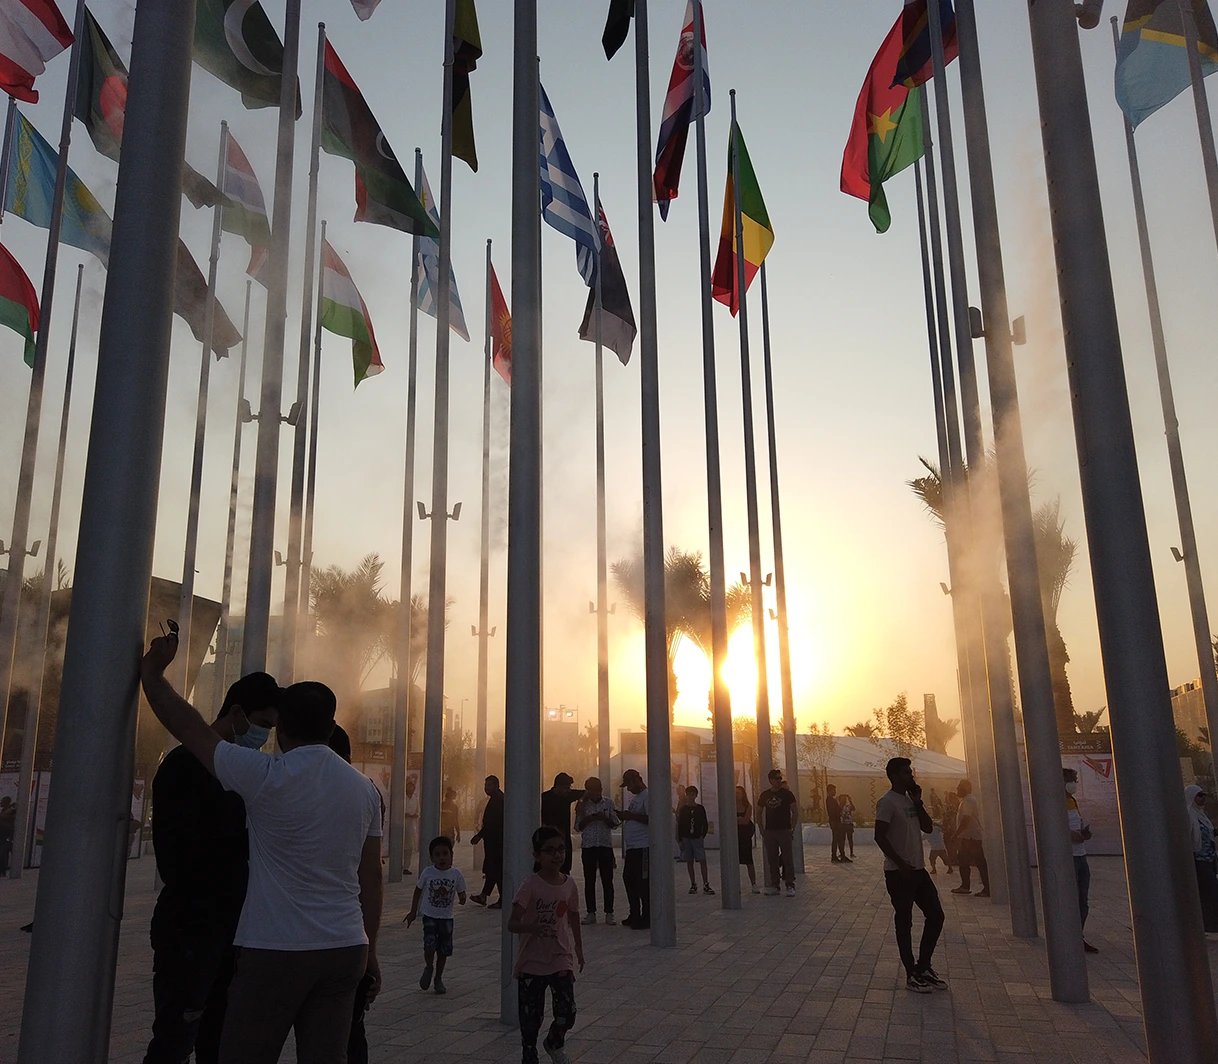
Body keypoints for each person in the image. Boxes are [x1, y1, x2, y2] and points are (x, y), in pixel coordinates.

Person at [140, 634, 384, 1064]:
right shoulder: (365, 790)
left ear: (283, 729)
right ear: (331, 728)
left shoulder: (266, 776)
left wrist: (153, 675)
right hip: (346, 947)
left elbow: (188, 727)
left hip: (277, 949)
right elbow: (371, 877)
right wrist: (373, 951)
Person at [142, 669, 280, 1064]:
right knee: (175, 1037)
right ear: (236, 713)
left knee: (218, 1041)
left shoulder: (244, 772)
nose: (265, 735)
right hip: (192, 929)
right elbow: (177, 859)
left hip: (233, 930)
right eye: (262, 725)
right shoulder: (185, 766)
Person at [508, 825, 585, 1064]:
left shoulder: (569, 883)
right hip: (532, 961)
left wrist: (579, 949)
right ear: (537, 856)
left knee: (567, 1011)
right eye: (549, 851)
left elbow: (573, 916)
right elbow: (512, 923)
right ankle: (529, 1052)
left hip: (560, 956)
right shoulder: (530, 885)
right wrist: (532, 928)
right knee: (531, 1017)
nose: (557, 855)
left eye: (561, 849)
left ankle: (553, 1042)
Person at [874, 757, 947, 994]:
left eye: (911, 772)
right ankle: (910, 973)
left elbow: (927, 827)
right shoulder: (887, 802)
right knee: (904, 922)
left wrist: (919, 803)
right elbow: (879, 836)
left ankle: (924, 966)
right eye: (906, 773)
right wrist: (899, 863)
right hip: (899, 873)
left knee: (936, 916)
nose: (911, 776)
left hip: (918, 870)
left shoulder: (909, 800)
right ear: (895, 776)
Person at [405, 836, 468, 995]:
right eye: (438, 854)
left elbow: (462, 892)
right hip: (430, 916)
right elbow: (418, 890)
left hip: (447, 918)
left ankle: (438, 978)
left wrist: (462, 898)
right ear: (432, 857)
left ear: (451, 855)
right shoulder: (428, 872)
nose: (442, 858)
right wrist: (413, 911)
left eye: (445, 853)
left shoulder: (456, 874)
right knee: (429, 945)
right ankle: (428, 966)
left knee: (443, 950)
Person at [574, 776, 619, 925]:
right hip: (589, 846)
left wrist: (604, 818)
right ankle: (591, 912)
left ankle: (609, 912)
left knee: (607, 880)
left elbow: (615, 823)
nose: (594, 795)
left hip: (605, 845)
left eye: (596, 792)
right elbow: (577, 826)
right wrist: (590, 818)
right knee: (589, 880)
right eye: (591, 792)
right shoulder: (583, 806)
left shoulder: (608, 803)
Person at [1064, 767, 1098, 953]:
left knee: (1082, 900)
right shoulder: (1057, 802)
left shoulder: (1072, 801)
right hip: (1068, 857)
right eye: (1071, 780)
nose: (1074, 784)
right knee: (1073, 898)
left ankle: (1079, 934)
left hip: (1080, 854)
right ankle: (1070, 936)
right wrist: (1074, 836)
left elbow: (1076, 823)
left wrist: (1084, 834)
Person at [757, 769, 798, 896]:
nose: (779, 781)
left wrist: (792, 828)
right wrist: (761, 828)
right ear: (770, 780)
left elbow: (795, 811)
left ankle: (790, 884)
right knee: (772, 859)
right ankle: (775, 885)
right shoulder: (765, 795)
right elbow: (758, 811)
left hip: (784, 830)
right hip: (770, 831)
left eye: (780, 778)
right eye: (777, 778)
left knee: (787, 858)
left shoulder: (787, 794)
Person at [618, 769, 650, 929]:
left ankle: (647, 916)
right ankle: (634, 913)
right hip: (632, 847)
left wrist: (630, 816)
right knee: (629, 879)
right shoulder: (636, 798)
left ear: (636, 781)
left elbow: (652, 819)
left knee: (643, 883)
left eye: (629, 785)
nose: (628, 789)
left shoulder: (648, 796)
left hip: (643, 846)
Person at [1187, 784, 1218, 933]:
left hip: (1209, 859)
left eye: (1204, 795)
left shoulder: (1201, 814)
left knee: (1207, 893)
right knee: (1212, 891)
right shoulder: (1189, 814)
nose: (1203, 798)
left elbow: (1208, 834)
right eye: (1200, 795)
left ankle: (1208, 924)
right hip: (1199, 860)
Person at [541, 772, 586, 875]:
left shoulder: (567, 796)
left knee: (564, 872)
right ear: (558, 787)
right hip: (548, 840)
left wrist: (581, 802)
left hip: (564, 840)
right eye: (566, 788)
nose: (568, 790)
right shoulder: (544, 798)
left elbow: (585, 792)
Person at [951, 779, 990, 898]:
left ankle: (985, 888)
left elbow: (966, 820)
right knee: (965, 861)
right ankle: (966, 886)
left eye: (959, 787)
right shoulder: (966, 800)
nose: (957, 789)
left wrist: (956, 834)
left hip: (971, 837)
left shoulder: (968, 800)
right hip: (968, 836)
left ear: (967, 787)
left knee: (977, 862)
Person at [471, 776, 505, 908]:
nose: (486, 788)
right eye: (486, 785)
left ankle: (503, 899)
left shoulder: (498, 800)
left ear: (497, 785)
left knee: (497, 870)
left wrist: (479, 835)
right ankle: (483, 895)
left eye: (489, 785)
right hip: (493, 840)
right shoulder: (496, 799)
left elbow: (493, 823)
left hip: (496, 841)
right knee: (492, 869)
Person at [677, 785, 715, 895]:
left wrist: (702, 835)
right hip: (686, 838)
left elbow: (704, 822)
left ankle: (705, 883)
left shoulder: (700, 808)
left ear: (696, 795)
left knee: (702, 860)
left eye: (693, 794)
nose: (691, 796)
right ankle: (693, 883)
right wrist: (680, 840)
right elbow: (680, 825)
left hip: (697, 837)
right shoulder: (683, 809)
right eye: (689, 794)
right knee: (689, 861)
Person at [735, 785, 759, 894]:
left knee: (749, 861)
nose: (736, 795)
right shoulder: (731, 805)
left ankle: (754, 884)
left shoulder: (748, 806)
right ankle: (735, 885)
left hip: (745, 836)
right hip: (734, 837)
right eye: (735, 793)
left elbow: (745, 821)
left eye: (738, 793)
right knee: (734, 861)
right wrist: (739, 819)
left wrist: (737, 819)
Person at [826, 784, 849, 863]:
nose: (835, 792)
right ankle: (836, 856)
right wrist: (841, 805)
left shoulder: (830, 800)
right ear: (831, 790)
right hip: (835, 822)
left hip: (835, 821)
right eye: (834, 790)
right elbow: (835, 811)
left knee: (838, 839)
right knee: (837, 839)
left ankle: (840, 855)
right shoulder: (831, 800)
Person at [402, 773, 420, 875]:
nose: (410, 788)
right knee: (400, 845)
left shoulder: (415, 799)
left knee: (409, 847)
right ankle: (399, 864)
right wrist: (405, 815)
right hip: (402, 824)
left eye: (412, 787)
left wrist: (414, 815)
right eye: (409, 786)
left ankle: (406, 867)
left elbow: (418, 812)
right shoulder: (402, 797)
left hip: (412, 825)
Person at [0, 795, 15, 875]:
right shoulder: (4, 810)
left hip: (7, 836)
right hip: (2, 835)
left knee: (3, 854)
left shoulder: (11, 811)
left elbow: (4, 819)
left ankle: (3, 871)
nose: (1, 802)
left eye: (2, 801)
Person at [841, 793, 856, 858]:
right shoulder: (839, 806)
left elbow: (853, 808)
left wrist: (850, 801)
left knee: (850, 839)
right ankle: (842, 852)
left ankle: (851, 852)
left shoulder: (848, 806)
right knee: (842, 839)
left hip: (849, 823)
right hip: (843, 824)